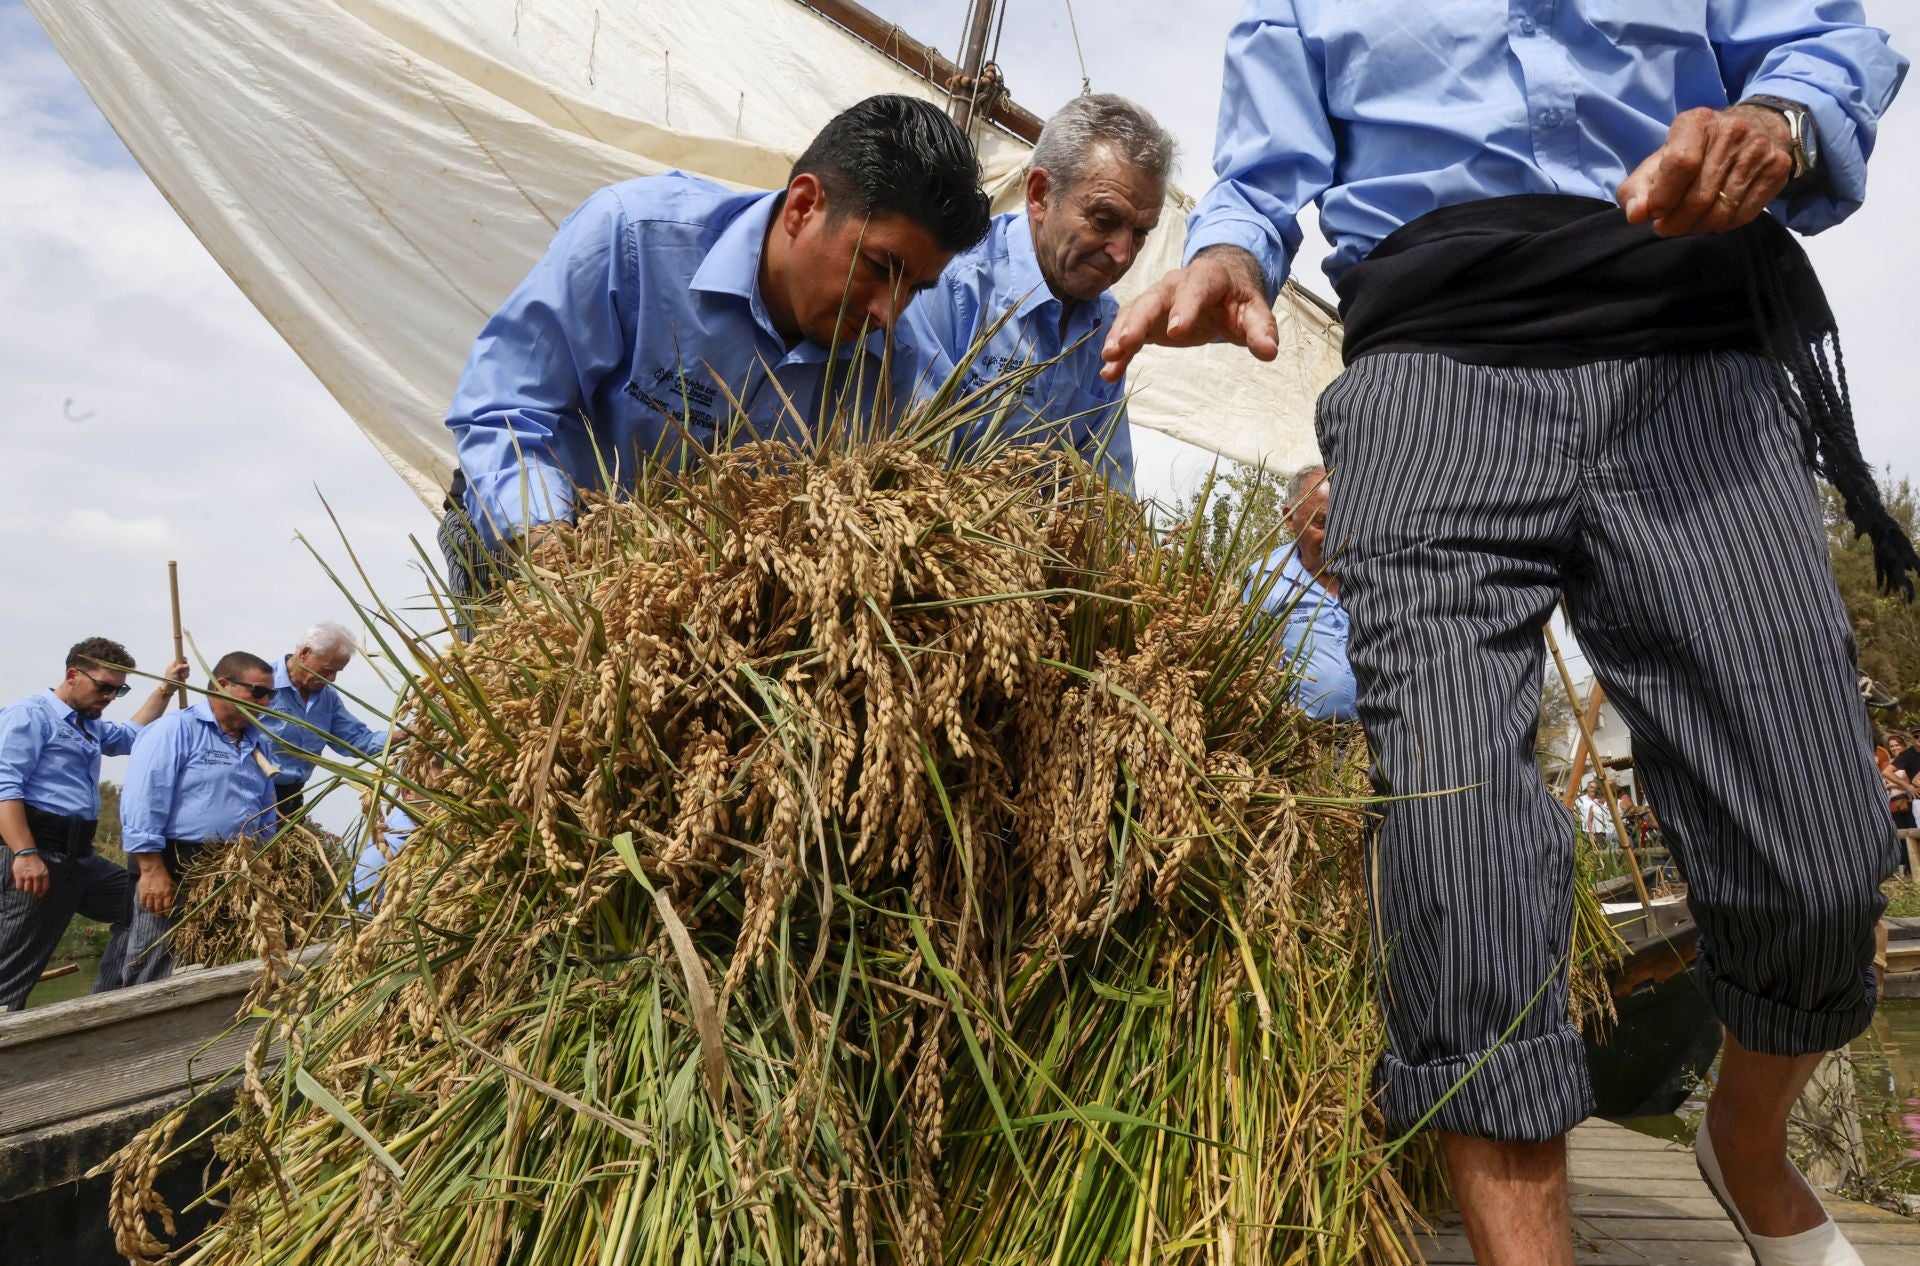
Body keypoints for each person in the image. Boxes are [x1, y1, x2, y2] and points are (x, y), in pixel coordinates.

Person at [1102, 4, 1908, 1262]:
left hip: (1687, 346)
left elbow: (1822, 45)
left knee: (1821, 862)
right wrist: (1232, 248)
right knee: (1458, 861)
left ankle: (1747, 1145)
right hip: (1431, 374)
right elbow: (1260, 172)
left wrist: (1777, 123)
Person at [439, 94, 992, 599]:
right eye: (877, 266)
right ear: (803, 207)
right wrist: (556, 560)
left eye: (916, 289)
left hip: (701, 602)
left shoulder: (903, 365)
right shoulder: (634, 237)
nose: (888, 312)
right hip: (525, 535)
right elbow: (506, 408)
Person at [900, 94, 1173, 488]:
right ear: (1040, 194)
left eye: (1140, 233)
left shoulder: (1105, 327)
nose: (1123, 253)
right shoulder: (957, 283)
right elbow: (910, 464)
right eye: (1104, 220)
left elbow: (1105, 491)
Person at [0, 638, 186, 1009]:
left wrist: (166, 689)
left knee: (140, 904)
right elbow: (5, 787)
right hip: (38, 852)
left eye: (119, 690)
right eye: (104, 687)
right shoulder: (30, 716)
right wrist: (24, 853)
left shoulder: (89, 726)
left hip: (79, 858)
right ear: (73, 675)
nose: (111, 697)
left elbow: (130, 736)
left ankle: (110, 1005)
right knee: (15, 964)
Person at [112, 652, 281, 987]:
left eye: (270, 695)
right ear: (222, 685)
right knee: (154, 960)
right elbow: (144, 799)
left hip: (235, 868)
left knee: (223, 959)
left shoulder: (259, 742)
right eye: (258, 692)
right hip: (176, 863)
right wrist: (151, 869)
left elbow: (266, 808)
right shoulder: (174, 730)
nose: (265, 703)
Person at [1245, 464, 1355, 720]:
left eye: (1343, 522)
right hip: (1304, 739)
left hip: (1380, 735)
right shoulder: (1264, 580)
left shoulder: (1371, 570)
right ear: (1289, 518)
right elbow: (1247, 664)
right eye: (1322, 522)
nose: (1335, 536)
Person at [256, 622, 395, 819]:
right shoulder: (261, 686)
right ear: (305, 653)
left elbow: (357, 741)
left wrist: (403, 735)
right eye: (327, 670)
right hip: (254, 796)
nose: (332, 678)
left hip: (292, 800)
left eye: (337, 672)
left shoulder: (327, 698)